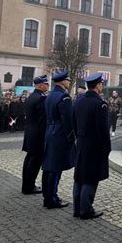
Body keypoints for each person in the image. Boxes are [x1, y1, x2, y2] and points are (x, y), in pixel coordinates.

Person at [72, 73, 111, 219]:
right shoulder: (100, 104)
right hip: (94, 145)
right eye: (102, 84)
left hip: (81, 143)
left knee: (79, 176)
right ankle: (86, 210)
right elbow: (103, 130)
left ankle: (77, 208)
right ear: (98, 85)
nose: (102, 86)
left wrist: (79, 137)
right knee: (90, 178)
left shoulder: (78, 101)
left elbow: (73, 123)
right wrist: (106, 149)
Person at [42, 71, 75, 209]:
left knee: (48, 167)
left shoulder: (49, 96)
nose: (69, 82)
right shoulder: (64, 97)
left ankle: (47, 196)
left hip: (49, 132)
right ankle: (52, 198)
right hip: (60, 134)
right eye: (68, 80)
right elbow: (68, 120)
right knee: (55, 169)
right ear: (62, 81)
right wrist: (71, 137)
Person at [21, 75, 49, 195]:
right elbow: (43, 119)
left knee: (29, 160)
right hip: (38, 134)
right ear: (40, 85)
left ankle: (26, 185)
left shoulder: (32, 96)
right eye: (46, 84)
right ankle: (29, 186)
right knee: (35, 161)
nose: (47, 85)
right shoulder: (41, 98)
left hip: (30, 132)